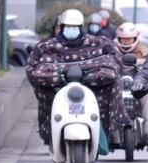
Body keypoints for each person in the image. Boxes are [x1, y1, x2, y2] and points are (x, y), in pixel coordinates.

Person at [26, 9, 130, 146]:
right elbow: (33, 70)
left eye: (74, 27)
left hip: (91, 93)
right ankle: (52, 134)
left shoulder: (98, 43)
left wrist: (93, 77)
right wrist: (57, 77)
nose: (71, 30)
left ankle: (105, 132)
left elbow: (115, 64)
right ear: (61, 27)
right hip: (58, 92)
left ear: (81, 27)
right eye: (68, 27)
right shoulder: (47, 47)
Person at [115, 22, 148, 136]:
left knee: (146, 98)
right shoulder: (113, 50)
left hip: (136, 84)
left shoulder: (144, 51)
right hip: (116, 85)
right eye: (123, 39)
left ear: (135, 38)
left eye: (129, 39)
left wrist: (140, 65)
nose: (126, 42)